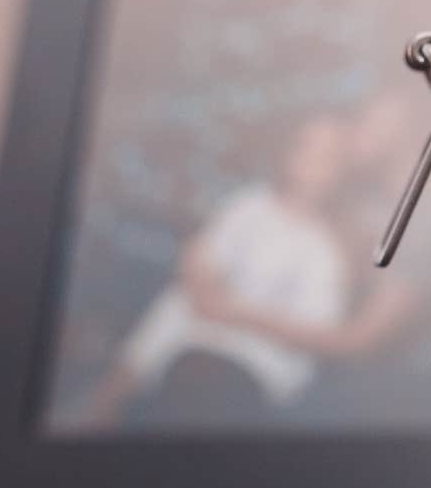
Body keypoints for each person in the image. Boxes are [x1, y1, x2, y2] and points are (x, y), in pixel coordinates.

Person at [77, 115, 353, 427]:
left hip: (254, 364)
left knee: (195, 387)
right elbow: (200, 270)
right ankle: (102, 411)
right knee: (173, 315)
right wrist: (206, 288)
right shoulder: (249, 205)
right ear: (289, 152)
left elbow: (317, 330)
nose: (315, 162)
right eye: (307, 147)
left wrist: (233, 311)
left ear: (342, 169)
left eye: (330, 154)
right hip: (191, 335)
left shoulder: (328, 246)